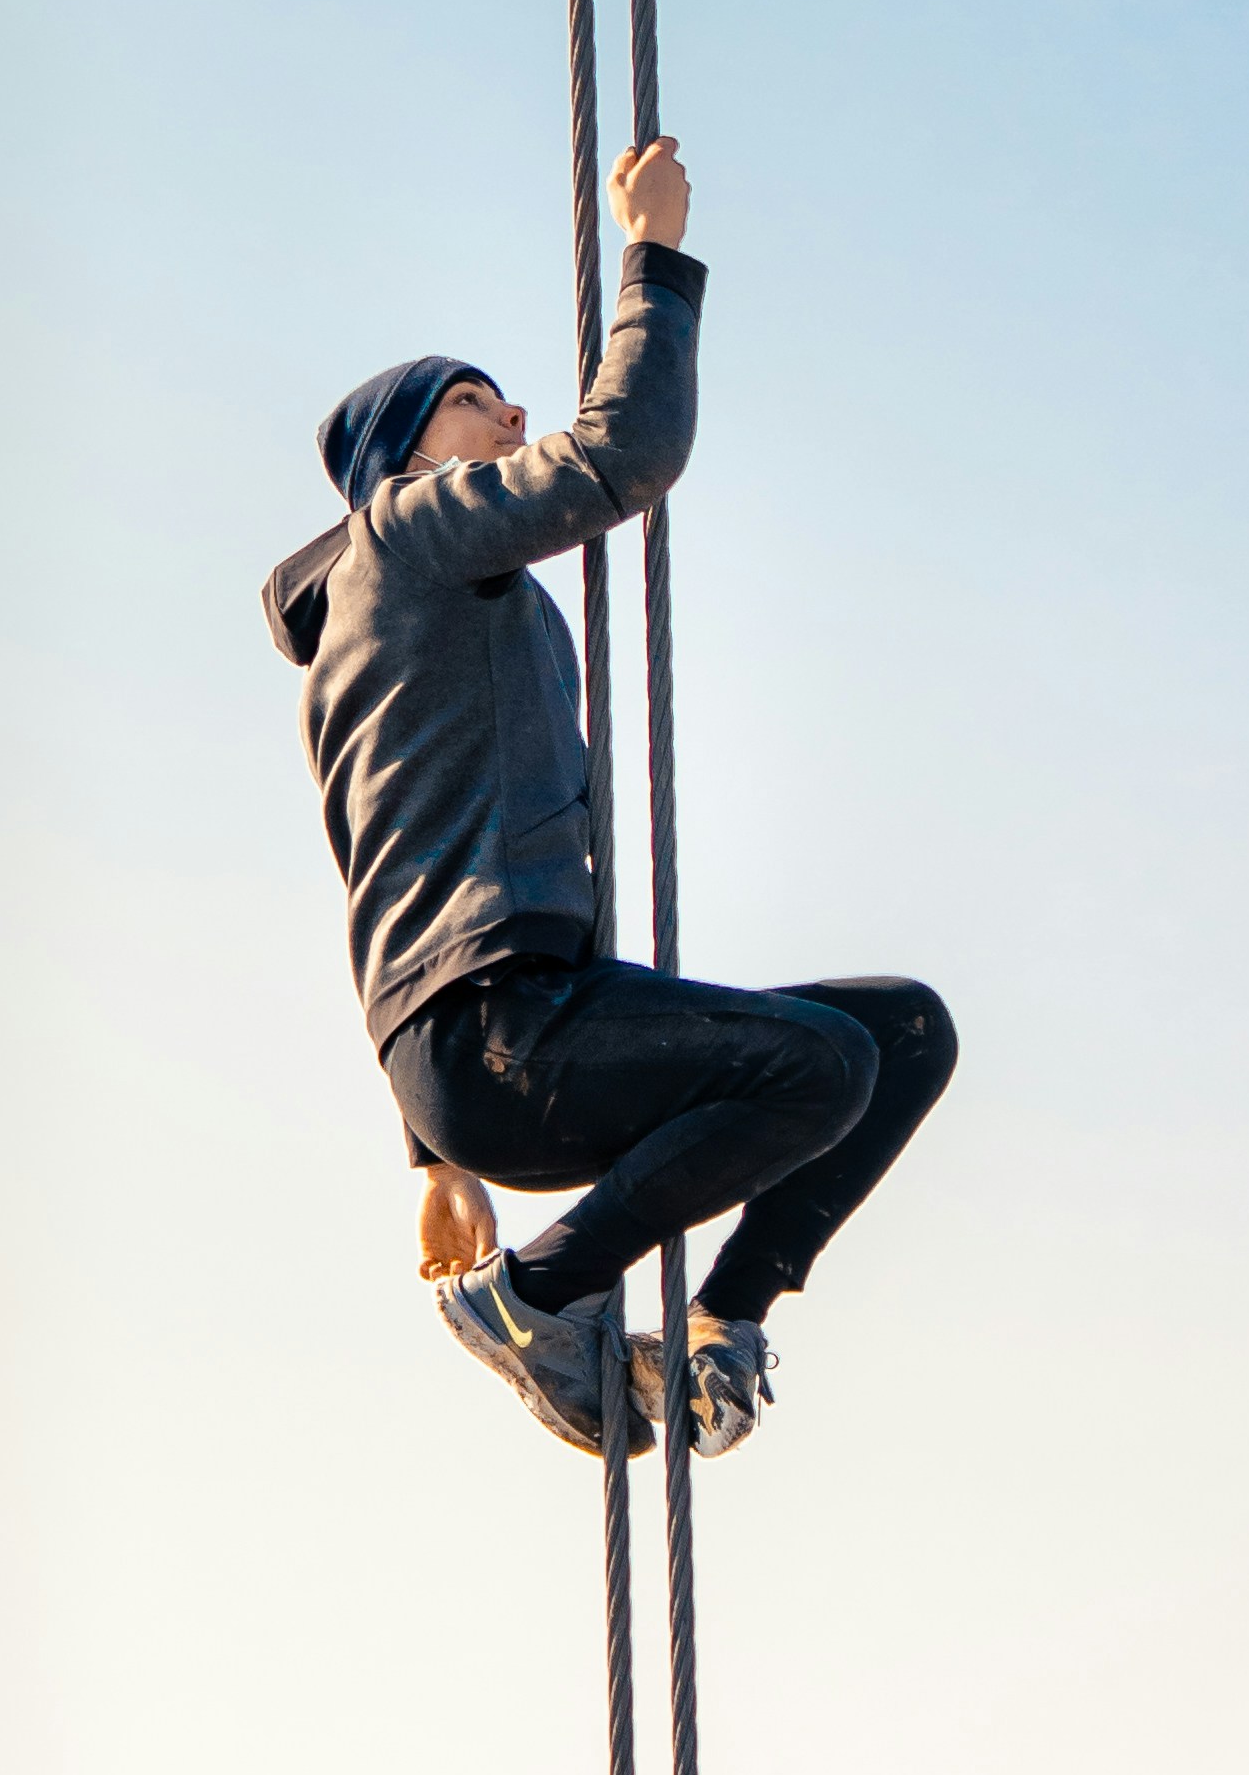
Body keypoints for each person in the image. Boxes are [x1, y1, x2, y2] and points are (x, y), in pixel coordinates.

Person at [261, 132, 956, 1459]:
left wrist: (430, 1159)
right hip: (497, 1038)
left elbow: (392, 857)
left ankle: (720, 1327)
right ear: (405, 455)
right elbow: (620, 456)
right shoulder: (406, 532)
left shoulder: (426, 611)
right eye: (479, 401)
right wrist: (656, 256)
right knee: (823, 1065)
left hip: (518, 1037)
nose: (512, 418)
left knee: (901, 1032)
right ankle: (535, 1299)